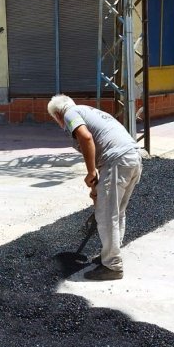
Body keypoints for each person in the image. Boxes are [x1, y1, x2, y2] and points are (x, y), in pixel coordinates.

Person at [47, 94, 142, 281]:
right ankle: (109, 255)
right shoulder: (88, 110)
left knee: (107, 216)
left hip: (116, 162)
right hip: (132, 159)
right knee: (116, 213)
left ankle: (112, 265)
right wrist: (97, 183)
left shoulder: (69, 114)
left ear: (57, 115)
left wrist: (91, 172)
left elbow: (86, 138)